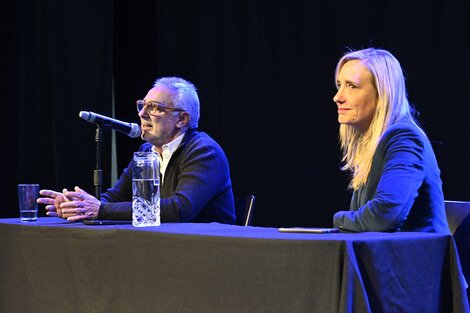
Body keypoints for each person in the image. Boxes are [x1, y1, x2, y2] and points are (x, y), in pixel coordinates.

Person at [38, 77, 236, 224]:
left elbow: (180, 209)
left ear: (182, 119)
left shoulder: (204, 151)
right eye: (142, 106)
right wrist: (77, 205)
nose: (142, 114)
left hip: (208, 251)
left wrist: (101, 209)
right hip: (164, 246)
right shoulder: (147, 151)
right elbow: (113, 198)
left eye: (154, 107)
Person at [332, 48, 450, 233]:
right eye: (339, 85)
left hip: (417, 259)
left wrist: (339, 218)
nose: (338, 97)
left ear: (382, 94)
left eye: (352, 86)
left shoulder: (404, 139)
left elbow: (383, 217)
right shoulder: (375, 142)